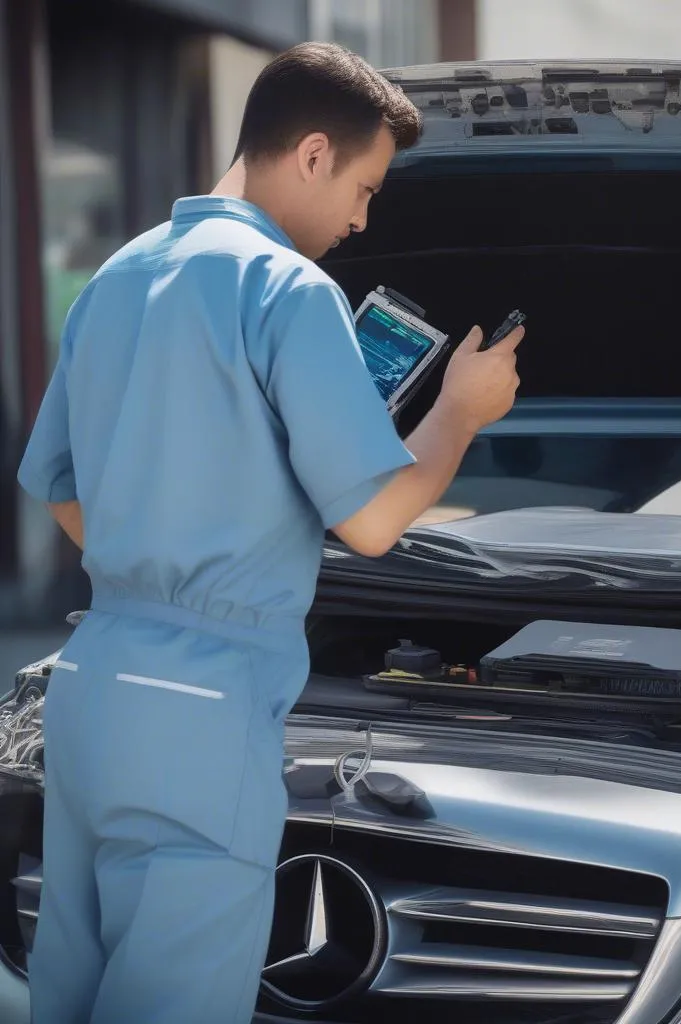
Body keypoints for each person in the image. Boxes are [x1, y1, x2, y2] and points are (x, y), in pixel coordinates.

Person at [17, 42, 523, 1024]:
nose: (361, 219)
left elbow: (56, 489)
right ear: (314, 153)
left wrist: (156, 550)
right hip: (203, 705)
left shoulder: (119, 277)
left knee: (71, 993)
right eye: (365, 188)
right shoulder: (289, 292)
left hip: (91, 681)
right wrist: (460, 409)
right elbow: (372, 519)